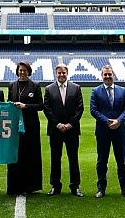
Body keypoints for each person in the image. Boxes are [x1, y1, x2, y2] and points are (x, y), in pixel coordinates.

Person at [89, 65, 125, 199]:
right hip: (103, 131)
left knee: (122, 161)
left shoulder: (122, 91)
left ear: (114, 75)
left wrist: (118, 121)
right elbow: (93, 110)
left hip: (119, 131)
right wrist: (108, 121)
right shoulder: (95, 91)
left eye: (110, 74)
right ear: (102, 76)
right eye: (105, 75)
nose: (107, 77)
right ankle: (101, 189)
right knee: (102, 161)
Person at [43, 63, 84, 197]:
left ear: (67, 73)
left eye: (63, 73)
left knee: (73, 158)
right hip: (56, 130)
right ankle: (55, 186)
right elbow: (47, 109)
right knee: (55, 158)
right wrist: (58, 124)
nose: (61, 75)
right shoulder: (49, 89)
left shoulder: (76, 88)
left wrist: (71, 124)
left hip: (72, 130)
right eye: (59, 73)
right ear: (56, 73)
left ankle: (75, 186)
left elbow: (80, 108)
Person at [7, 61, 43, 195]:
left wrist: (25, 106)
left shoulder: (35, 86)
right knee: (16, 154)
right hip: (15, 126)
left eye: (25, 70)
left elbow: (41, 105)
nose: (22, 72)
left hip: (31, 126)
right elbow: (9, 104)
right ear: (17, 71)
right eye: (20, 70)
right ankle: (15, 186)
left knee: (30, 155)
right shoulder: (12, 85)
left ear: (29, 71)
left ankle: (30, 186)